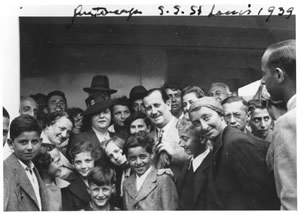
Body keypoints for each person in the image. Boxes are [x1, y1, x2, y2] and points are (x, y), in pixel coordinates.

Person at [189, 97, 280, 210]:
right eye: (196, 123)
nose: (204, 126)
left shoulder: (236, 143)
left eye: (206, 118)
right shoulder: (222, 142)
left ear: (221, 115)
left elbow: (260, 196)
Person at [261, 40, 296, 210]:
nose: (262, 81)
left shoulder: (289, 122)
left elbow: (293, 199)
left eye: (264, 74)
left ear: (279, 75)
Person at [122, 131, 178, 210]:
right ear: (127, 159)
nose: (138, 162)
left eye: (142, 157)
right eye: (133, 158)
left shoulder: (163, 180)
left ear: (151, 154)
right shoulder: (126, 183)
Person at [4, 115, 49, 211]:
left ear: (40, 142)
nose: (30, 147)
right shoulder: (5, 172)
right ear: (11, 143)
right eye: (23, 142)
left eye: (34, 141)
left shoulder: (33, 167)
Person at [143, 88, 189, 180]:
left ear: (168, 104)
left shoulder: (187, 129)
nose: (154, 112)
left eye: (157, 105)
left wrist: (174, 153)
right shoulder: (148, 138)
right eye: (148, 108)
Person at [176, 117, 212, 210]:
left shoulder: (213, 166)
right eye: (180, 138)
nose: (181, 144)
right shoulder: (187, 164)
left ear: (202, 139)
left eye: (185, 138)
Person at [68, 95, 115, 166]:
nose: (102, 116)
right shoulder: (78, 138)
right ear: (90, 117)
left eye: (105, 112)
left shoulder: (118, 137)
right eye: (97, 113)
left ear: (111, 115)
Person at [62, 140, 102, 210]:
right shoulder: (67, 187)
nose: (83, 166)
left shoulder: (103, 178)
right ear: (73, 163)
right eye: (78, 162)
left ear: (94, 160)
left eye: (87, 161)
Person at [33, 143, 70, 211]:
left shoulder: (65, 185)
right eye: (57, 162)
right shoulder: (38, 192)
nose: (61, 164)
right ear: (44, 166)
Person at [41, 111, 74, 180]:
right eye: (62, 129)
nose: (64, 135)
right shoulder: (41, 148)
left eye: (68, 132)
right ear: (48, 125)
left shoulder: (56, 144)